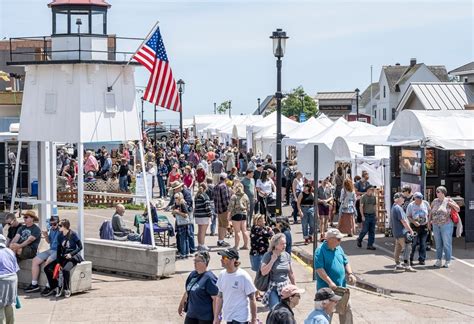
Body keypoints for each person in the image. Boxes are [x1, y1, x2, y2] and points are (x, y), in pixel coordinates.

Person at [314, 228, 356, 324]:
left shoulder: (339, 248)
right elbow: (319, 269)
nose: (340, 241)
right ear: (330, 239)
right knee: (326, 315)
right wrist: (330, 282)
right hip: (327, 291)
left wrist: (350, 273)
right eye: (338, 239)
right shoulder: (320, 251)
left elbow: (346, 262)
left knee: (347, 310)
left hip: (341, 288)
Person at [214, 248, 257, 324]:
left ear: (233, 260)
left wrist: (254, 319)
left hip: (241, 318)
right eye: (222, 257)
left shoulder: (243, 276)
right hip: (228, 317)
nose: (221, 260)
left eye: (225, 258)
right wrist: (217, 317)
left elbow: (252, 298)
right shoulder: (222, 275)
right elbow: (220, 297)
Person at [42, 219, 84, 298]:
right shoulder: (60, 235)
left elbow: (80, 247)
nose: (59, 227)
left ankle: (66, 289)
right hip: (63, 256)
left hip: (72, 257)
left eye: (60, 225)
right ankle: (54, 286)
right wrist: (58, 261)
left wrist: (71, 254)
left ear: (65, 226)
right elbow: (58, 249)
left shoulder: (73, 234)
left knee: (65, 270)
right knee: (47, 268)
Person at [178, 251, 218, 324]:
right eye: (194, 260)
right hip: (191, 314)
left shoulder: (210, 278)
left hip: (205, 317)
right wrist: (181, 304)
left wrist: (216, 318)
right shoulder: (193, 274)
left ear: (205, 263)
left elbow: (216, 299)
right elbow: (188, 290)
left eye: (197, 261)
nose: (194, 263)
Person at [24, 216, 61, 293]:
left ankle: (49, 285)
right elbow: (49, 242)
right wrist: (46, 235)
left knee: (48, 262)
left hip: (58, 251)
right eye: (51, 224)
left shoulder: (60, 230)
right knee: (35, 260)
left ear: (58, 223)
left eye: (54, 224)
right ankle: (34, 284)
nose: (52, 226)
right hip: (51, 250)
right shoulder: (52, 229)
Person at [260, 233, 296, 310]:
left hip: (286, 288)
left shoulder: (287, 255)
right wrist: (272, 260)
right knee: (275, 310)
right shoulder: (268, 255)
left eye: (285, 243)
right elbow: (263, 272)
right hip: (274, 288)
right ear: (275, 245)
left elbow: (291, 273)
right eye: (282, 244)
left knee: (285, 312)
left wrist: (295, 288)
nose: (285, 245)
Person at [430, 186, 460, 268]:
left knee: (447, 243)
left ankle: (448, 260)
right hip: (436, 225)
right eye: (436, 191)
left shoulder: (449, 200)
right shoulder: (435, 201)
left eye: (438, 191)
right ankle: (438, 260)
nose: (436, 193)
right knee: (438, 244)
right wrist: (430, 221)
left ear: (443, 193)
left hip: (446, 224)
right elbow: (431, 211)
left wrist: (451, 204)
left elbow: (458, 209)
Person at [249, 214, 273, 301]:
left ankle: (258, 292)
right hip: (258, 254)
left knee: (260, 274)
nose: (265, 221)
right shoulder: (257, 228)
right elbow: (269, 235)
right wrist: (270, 230)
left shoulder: (258, 228)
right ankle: (256, 293)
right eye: (263, 220)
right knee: (259, 274)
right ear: (258, 221)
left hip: (260, 253)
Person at [391, 192, 416, 272]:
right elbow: (403, 221)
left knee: (398, 249)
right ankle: (407, 266)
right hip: (402, 232)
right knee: (407, 248)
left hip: (397, 232)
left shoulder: (394, 207)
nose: (404, 199)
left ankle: (398, 264)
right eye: (402, 197)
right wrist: (410, 230)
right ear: (397, 199)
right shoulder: (398, 208)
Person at [407, 192, 430, 266]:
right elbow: (408, 216)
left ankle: (422, 259)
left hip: (424, 226)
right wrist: (414, 222)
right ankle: (410, 259)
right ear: (414, 198)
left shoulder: (425, 203)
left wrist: (429, 222)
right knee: (413, 243)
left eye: (420, 199)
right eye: (417, 199)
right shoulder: (411, 205)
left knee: (423, 243)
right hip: (414, 226)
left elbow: (430, 213)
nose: (419, 201)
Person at [0, 234, 19, 324]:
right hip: (13, 280)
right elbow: (15, 269)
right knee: (8, 304)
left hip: (2, 280)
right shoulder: (10, 251)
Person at [229, 183, 250, 250]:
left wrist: (228, 216)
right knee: (244, 230)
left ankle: (236, 246)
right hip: (244, 214)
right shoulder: (245, 195)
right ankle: (246, 245)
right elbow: (248, 206)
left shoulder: (234, 196)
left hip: (236, 214)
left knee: (237, 231)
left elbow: (230, 207)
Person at [356, 185, 377, 250]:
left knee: (372, 231)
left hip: (372, 215)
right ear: (368, 190)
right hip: (366, 215)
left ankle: (370, 245)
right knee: (365, 230)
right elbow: (361, 207)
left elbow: (375, 206)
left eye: (373, 190)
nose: (372, 191)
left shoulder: (373, 197)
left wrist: (376, 215)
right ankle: (359, 239)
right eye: (371, 190)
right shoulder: (363, 197)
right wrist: (362, 216)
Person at [214, 173, 231, 247]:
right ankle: (222, 241)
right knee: (224, 225)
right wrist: (229, 208)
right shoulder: (224, 186)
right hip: (224, 209)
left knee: (220, 225)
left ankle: (220, 240)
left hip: (218, 208)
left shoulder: (216, 186)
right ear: (225, 178)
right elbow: (225, 199)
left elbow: (214, 199)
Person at [194, 183, 212, 252]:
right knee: (203, 232)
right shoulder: (205, 196)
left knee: (199, 231)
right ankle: (202, 245)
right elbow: (207, 207)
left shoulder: (197, 195)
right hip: (204, 215)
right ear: (206, 188)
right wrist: (210, 214)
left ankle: (199, 244)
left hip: (198, 215)